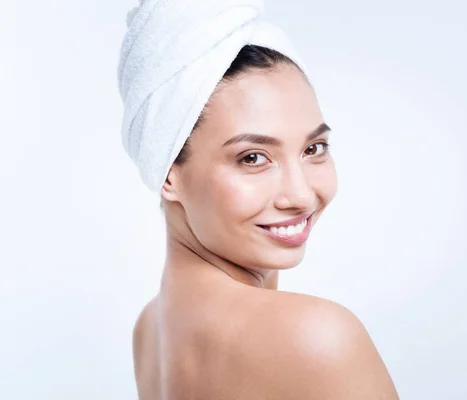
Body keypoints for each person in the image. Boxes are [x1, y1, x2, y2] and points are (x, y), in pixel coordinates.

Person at [118, 3, 399, 399]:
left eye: (314, 148)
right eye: (253, 158)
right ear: (168, 173)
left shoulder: (150, 330)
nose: (301, 195)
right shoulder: (317, 336)